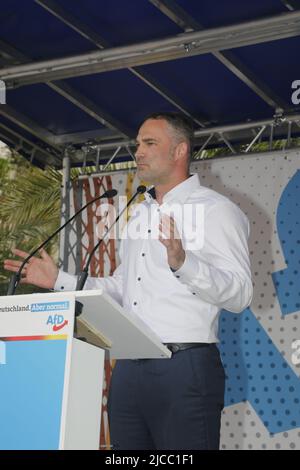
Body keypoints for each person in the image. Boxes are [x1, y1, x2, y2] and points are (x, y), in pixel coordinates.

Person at [4, 112, 253, 450]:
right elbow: (122, 287)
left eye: (150, 143)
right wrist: (59, 281)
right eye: (137, 144)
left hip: (184, 368)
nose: (139, 152)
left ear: (180, 151)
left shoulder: (216, 210)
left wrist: (183, 263)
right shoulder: (140, 214)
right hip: (129, 370)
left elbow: (240, 294)